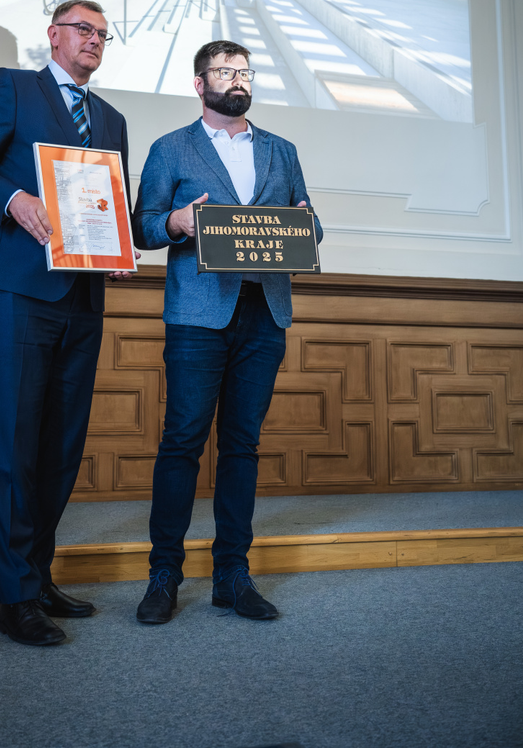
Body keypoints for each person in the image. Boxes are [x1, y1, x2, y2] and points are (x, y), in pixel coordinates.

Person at [0, 0, 136, 647]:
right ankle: (16, 598)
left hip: (84, 294)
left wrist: (119, 247)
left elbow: (108, 204)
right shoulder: (12, 86)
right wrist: (14, 199)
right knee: (16, 442)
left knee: (60, 445)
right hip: (18, 287)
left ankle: (38, 574)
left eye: (103, 34)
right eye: (84, 30)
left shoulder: (112, 119)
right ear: (54, 35)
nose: (94, 41)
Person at [132, 40, 322, 625]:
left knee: (242, 446)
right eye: (224, 72)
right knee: (183, 442)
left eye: (244, 72)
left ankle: (232, 575)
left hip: (265, 313)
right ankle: (164, 575)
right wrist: (176, 221)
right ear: (200, 83)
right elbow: (142, 227)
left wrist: (307, 226)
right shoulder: (171, 148)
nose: (237, 80)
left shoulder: (282, 150)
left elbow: (309, 222)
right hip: (197, 317)